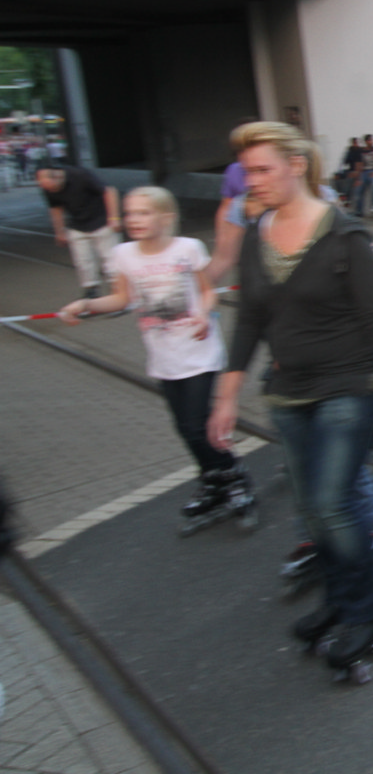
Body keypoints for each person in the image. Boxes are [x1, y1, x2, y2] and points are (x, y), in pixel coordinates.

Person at [208, 121, 373, 672]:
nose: (252, 181)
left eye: (263, 170)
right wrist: (227, 396)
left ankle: (367, 616)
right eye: (247, 172)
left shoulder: (344, 234)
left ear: (296, 166)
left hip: (349, 386)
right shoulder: (256, 233)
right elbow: (249, 320)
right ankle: (337, 601)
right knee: (312, 509)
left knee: (333, 502)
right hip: (289, 393)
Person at [58, 186, 256, 532]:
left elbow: (207, 291)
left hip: (199, 353)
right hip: (163, 358)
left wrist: (203, 314)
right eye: (130, 213)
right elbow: (121, 299)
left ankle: (234, 476)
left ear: (166, 218)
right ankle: (213, 481)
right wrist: (86, 304)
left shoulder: (188, 248)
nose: (134, 220)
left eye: (143, 213)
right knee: (184, 428)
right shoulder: (123, 254)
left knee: (197, 426)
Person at [37, 164, 120, 297]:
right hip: (77, 225)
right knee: (82, 260)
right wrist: (60, 231)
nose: (50, 191)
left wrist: (114, 218)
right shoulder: (47, 188)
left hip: (101, 221)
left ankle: (118, 289)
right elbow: (55, 208)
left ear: (56, 176)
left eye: (52, 187)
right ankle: (91, 289)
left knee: (110, 258)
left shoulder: (80, 175)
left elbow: (109, 191)